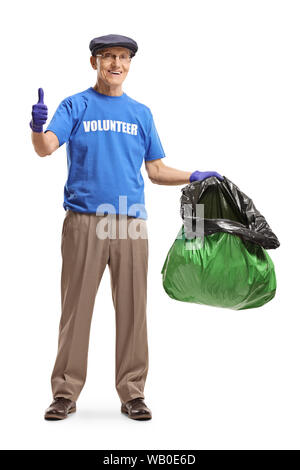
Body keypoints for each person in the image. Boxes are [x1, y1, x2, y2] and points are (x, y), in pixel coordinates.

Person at [30, 34, 223, 421]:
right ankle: (65, 393)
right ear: (93, 62)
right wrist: (36, 128)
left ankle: (133, 393)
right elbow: (46, 147)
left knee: (133, 311)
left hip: (130, 221)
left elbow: (154, 170)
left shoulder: (141, 114)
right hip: (85, 220)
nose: (115, 64)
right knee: (76, 310)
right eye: (107, 57)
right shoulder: (76, 105)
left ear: (130, 64)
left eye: (123, 57)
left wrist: (194, 175)